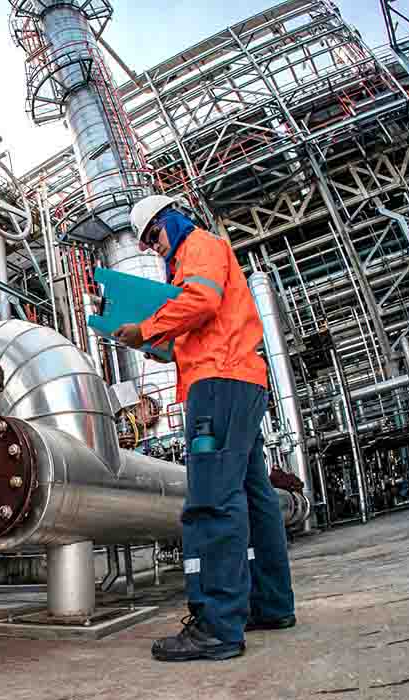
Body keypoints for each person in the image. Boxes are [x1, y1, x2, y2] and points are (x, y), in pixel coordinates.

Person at [113, 195, 297, 662]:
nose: (155, 249)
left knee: (212, 500)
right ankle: (270, 604)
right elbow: (201, 325)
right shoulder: (193, 260)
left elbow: (202, 299)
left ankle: (216, 624)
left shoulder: (198, 246)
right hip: (234, 381)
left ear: (168, 221)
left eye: (153, 238)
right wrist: (157, 342)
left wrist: (148, 328)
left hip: (218, 384)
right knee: (255, 499)